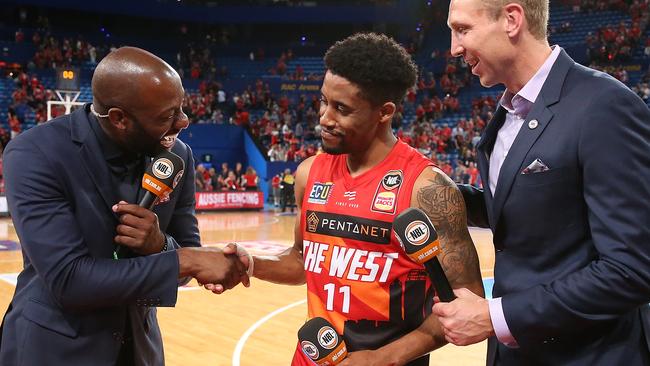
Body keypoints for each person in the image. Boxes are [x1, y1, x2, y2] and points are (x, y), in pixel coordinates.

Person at [213, 33, 483, 365]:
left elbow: (466, 300)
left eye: (342, 108)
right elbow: (301, 260)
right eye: (324, 102)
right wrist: (251, 264)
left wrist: (382, 358)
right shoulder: (309, 173)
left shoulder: (426, 188)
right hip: (314, 357)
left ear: (384, 112)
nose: (325, 117)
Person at [432, 1, 650, 365]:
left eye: (463, 29)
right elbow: (536, 209)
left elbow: (631, 269)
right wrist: (437, 191)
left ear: (512, 20)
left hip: (589, 355)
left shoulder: (604, 105)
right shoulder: (509, 110)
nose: (454, 48)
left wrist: (496, 317)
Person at [0, 46, 247, 365]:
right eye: (167, 116)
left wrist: (160, 245)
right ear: (119, 119)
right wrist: (183, 260)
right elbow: (69, 281)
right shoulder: (34, 154)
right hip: (54, 349)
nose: (184, 121)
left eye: (181, 107)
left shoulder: (178, 156)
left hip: (140, 350)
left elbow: (187, 253)